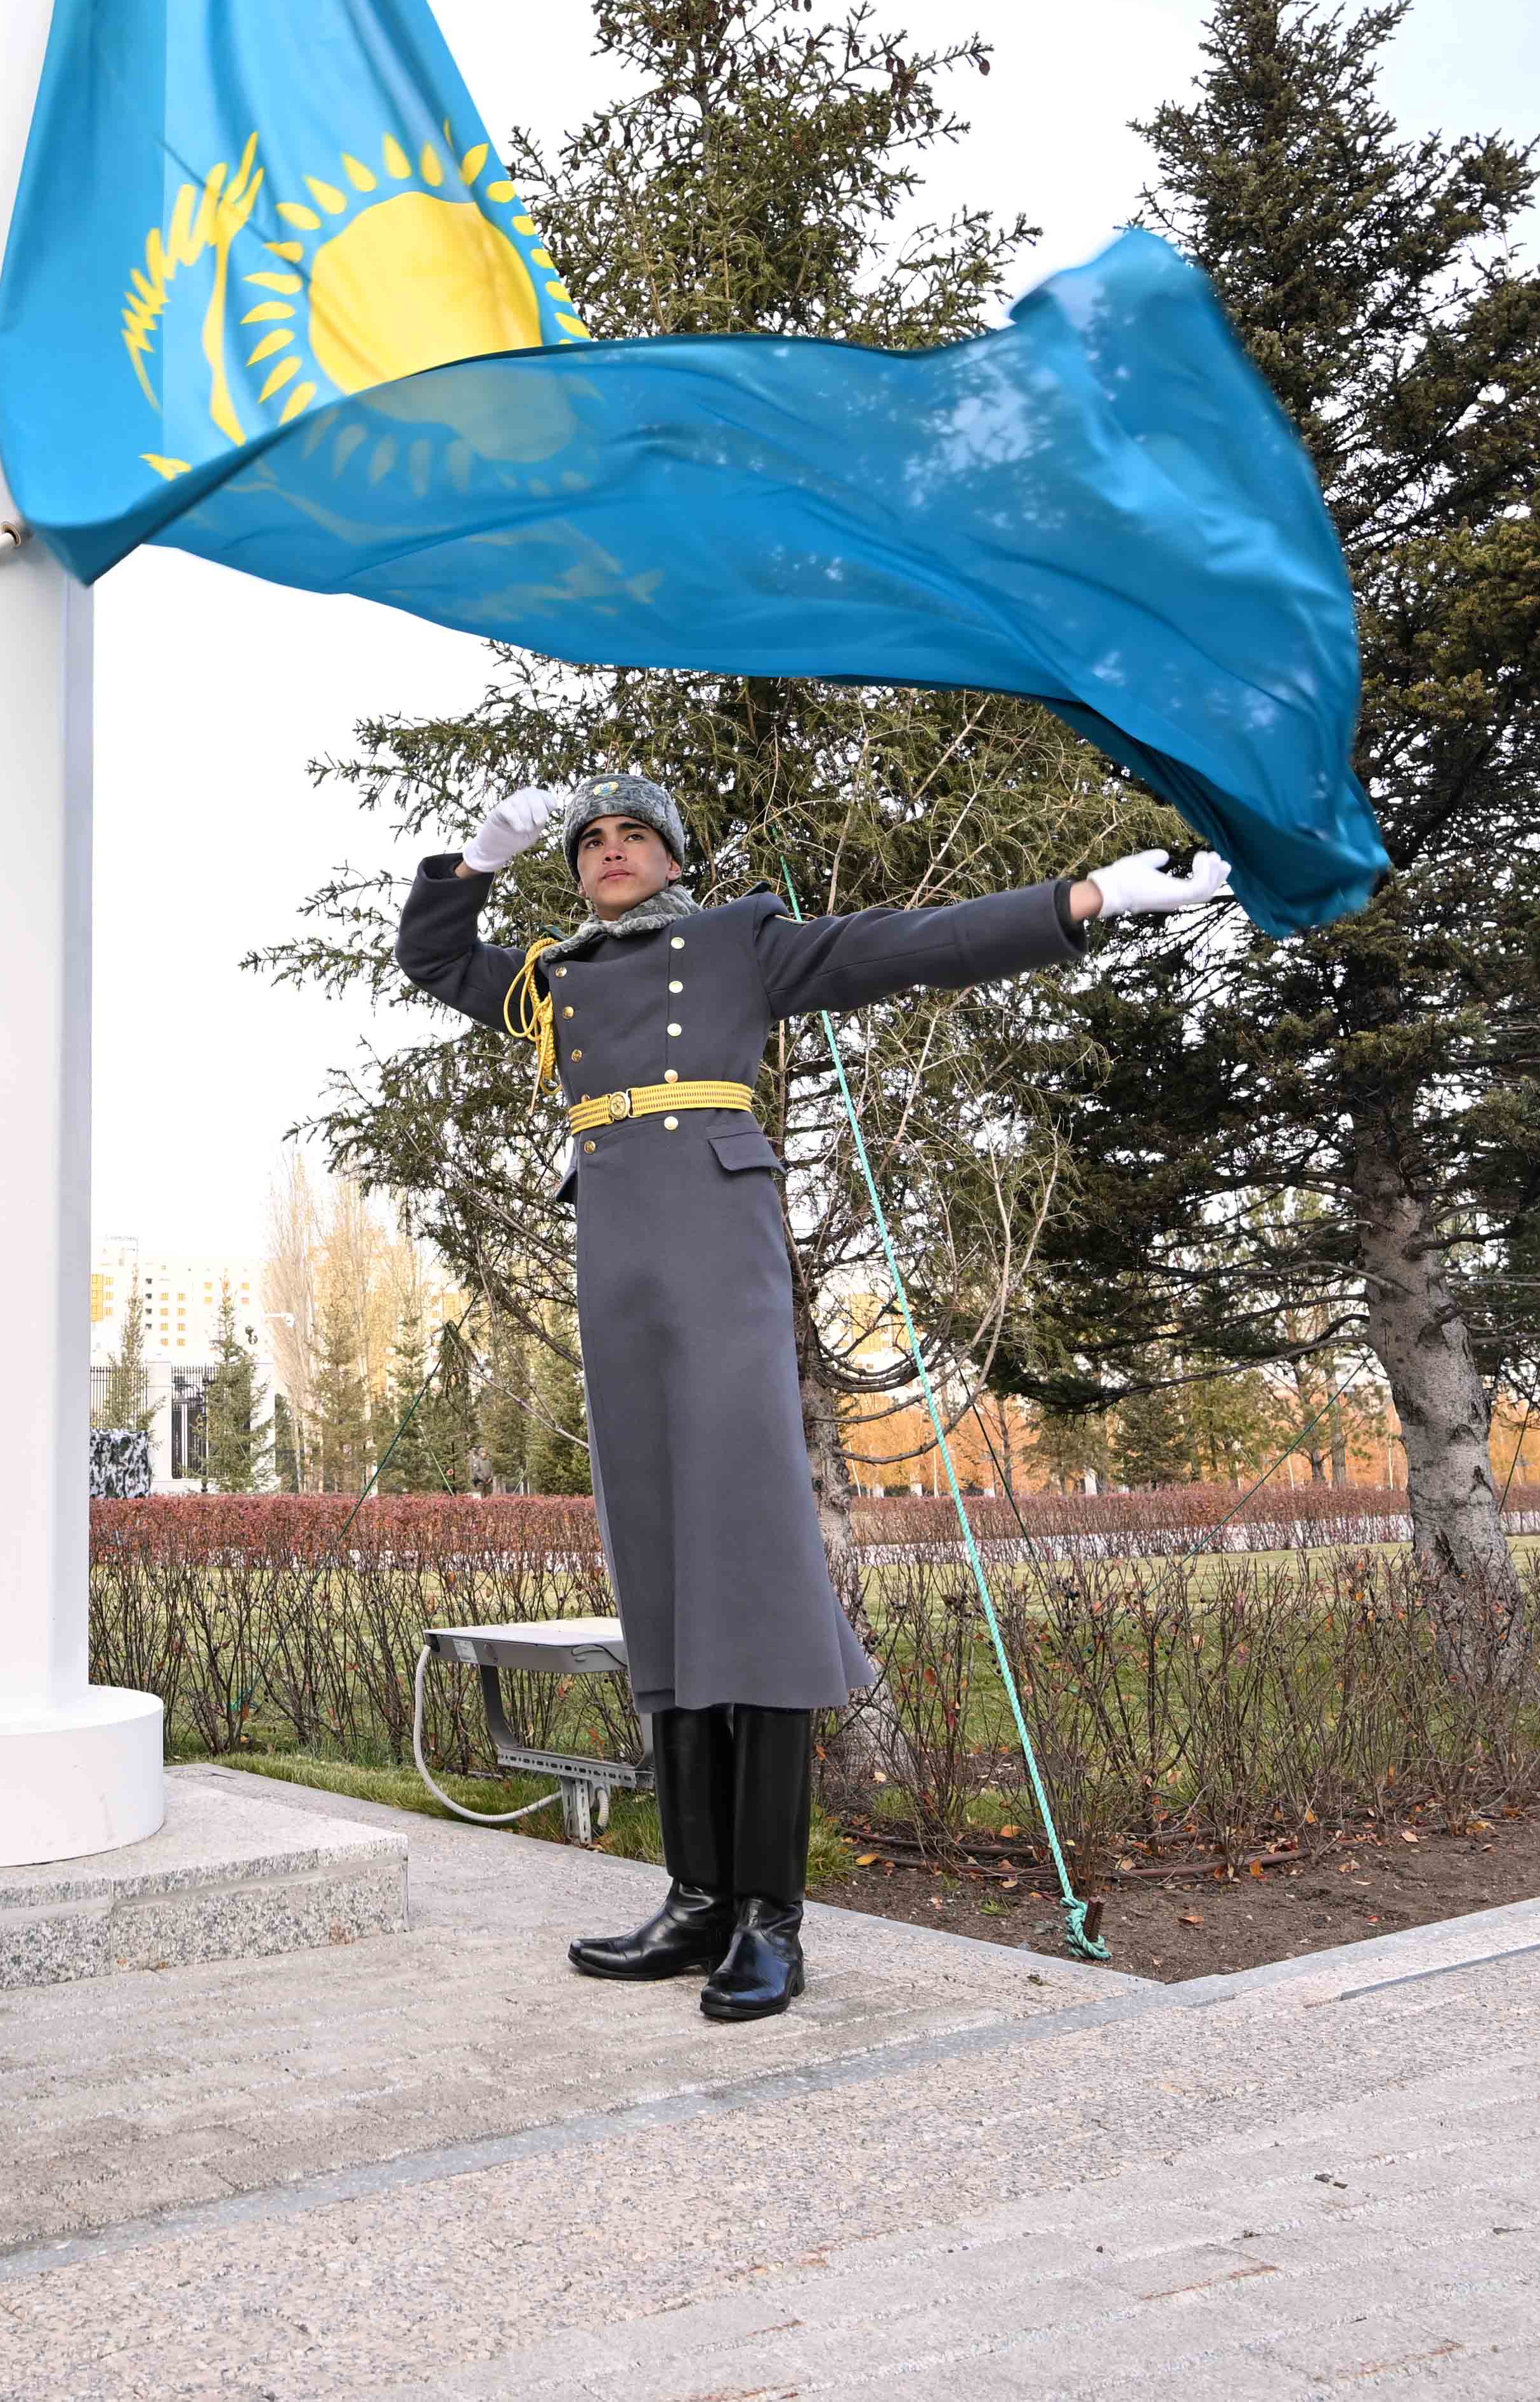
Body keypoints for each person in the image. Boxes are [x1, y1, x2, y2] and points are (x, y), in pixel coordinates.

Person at [395, 777, 1225, 2021]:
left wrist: (1090, 895)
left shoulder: (738, 941)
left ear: (675, 859)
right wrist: (473, 860)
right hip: (617, 1267)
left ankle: (768, 1920)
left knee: (754, 1576)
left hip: (719, 1255)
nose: (610, 852)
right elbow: (434, 959)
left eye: (635, 836)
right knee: (663, 1581)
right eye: (590, 841)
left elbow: (910, 944)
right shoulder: (555, 980)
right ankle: (696, 1901)